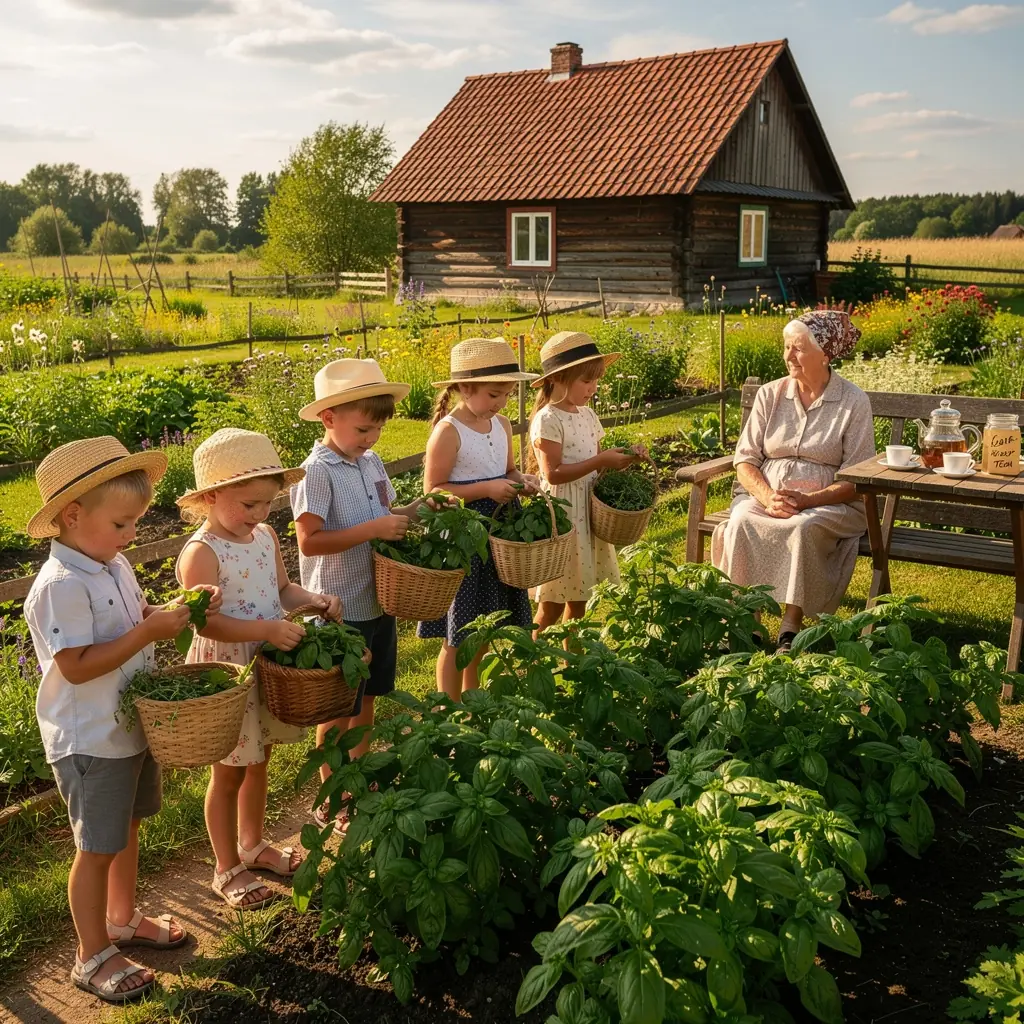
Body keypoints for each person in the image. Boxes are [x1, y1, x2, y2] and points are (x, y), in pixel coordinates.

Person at [23, 436, 220, 1003]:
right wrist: (146, 632)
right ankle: (90, 956)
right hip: (90, 740)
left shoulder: (111, 563)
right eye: (121, 523)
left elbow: (136, 621)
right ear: (73, 515)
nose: (131, 535)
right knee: (96, 846)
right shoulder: (60, 587)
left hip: (129, 727)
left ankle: (122, 919)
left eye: (135, 522)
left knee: (128, 828)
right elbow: (77, 666)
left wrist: (177, 611)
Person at [175, 429, 342, 910]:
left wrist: (311, 600)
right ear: (210, 496)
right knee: (228, 771)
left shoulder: (265, 536)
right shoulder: (202, 552)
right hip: (228, 672)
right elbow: (204, 622)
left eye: (267, 504)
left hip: (266, 667)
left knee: (259, 758)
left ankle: (252, 843)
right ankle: (225, 866)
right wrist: (267, 630)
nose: (259, 515)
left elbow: (284, 589)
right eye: (249, 504)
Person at [290, 358, 426, 836]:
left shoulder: (369, 462)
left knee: (367, 699)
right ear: (329, 419)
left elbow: (389, 512)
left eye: (378, 430)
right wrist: (373, 528)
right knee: (337, 706)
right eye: (364, 429)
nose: (371, 439)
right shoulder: (316, 471)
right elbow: (310, 541)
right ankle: (331, 795)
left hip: (376, 599)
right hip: (337, 604)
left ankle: (357, 780)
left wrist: (422, 507)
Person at [711, 310, 874, 651]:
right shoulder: (771, 394)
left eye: (797, 348)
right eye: (786, 347)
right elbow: (745, 459)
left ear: (825, 355)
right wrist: (768, 496)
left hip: (829, 502)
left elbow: (857, 479)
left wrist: (807, 500)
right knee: (739, 520)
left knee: (802, 527)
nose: (787, 356)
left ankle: (791, 626)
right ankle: (747, 622)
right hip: (768, 494)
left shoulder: (853, 401)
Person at [419, 338, 540, 698]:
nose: (501, 403)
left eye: (505, 394)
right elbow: (434, 491)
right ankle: (449, 705)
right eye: (493, 394)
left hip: (500, 533)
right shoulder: (449, 431)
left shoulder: (501, 424)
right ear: (465, 388)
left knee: (487, 626)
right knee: (460, 630)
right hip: (465, 536)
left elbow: (510, 470)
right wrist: (486, 489)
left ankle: (475, 699)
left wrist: (523, 481)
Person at [529, 331, 638, 633]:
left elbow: (598, 465)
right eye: (586, 381)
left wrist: (626, 458)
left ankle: (573, 666)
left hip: (586, 511)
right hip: (563, 514)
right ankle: (530, 658)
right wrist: (600, 462)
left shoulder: (588, 415)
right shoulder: (548, 418)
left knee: (580, 601)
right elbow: (553, 473)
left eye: (596, 380)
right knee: (550, 604)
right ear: (559, 379)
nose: (593, 388)